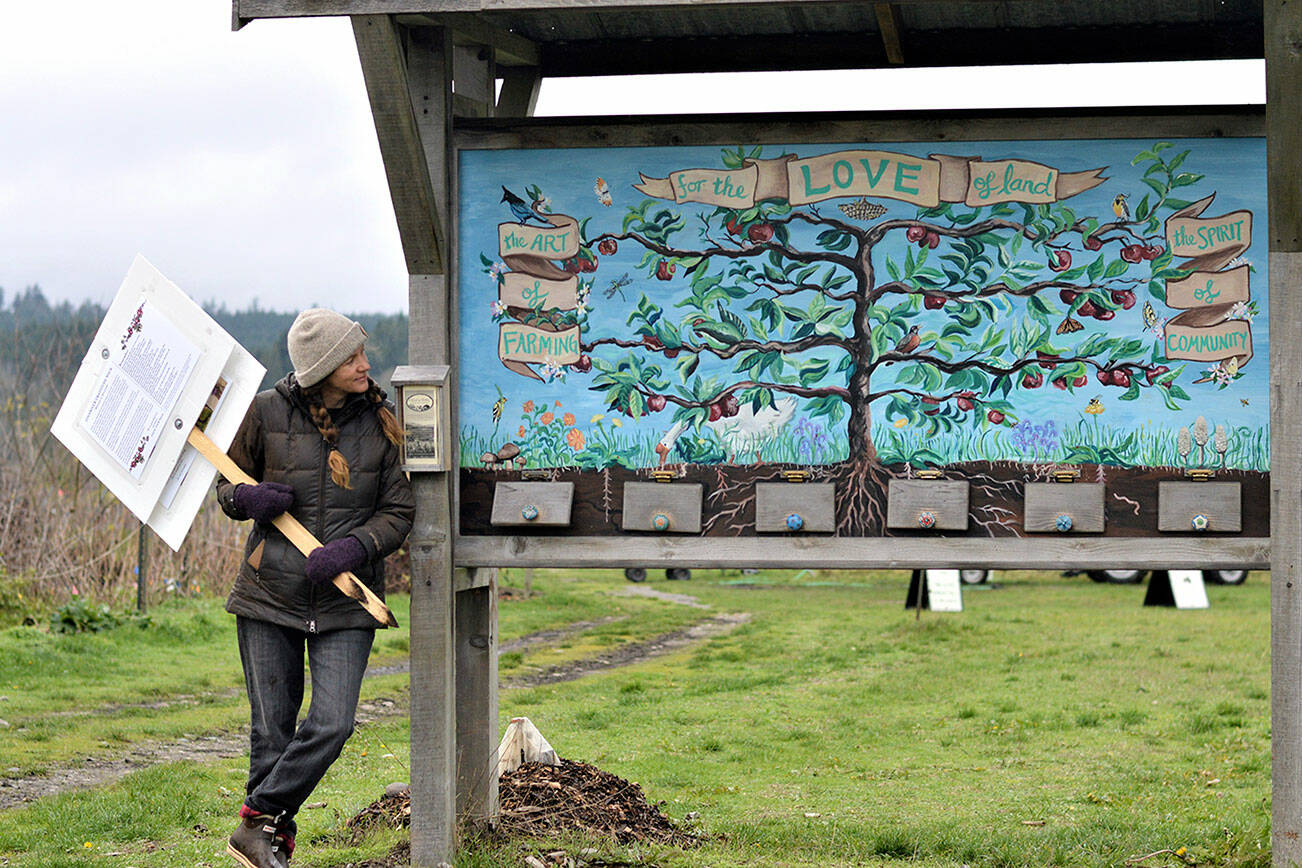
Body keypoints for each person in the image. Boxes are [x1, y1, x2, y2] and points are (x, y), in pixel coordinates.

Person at [215, 308, 414, 868]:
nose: (365, 365)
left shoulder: (383, 422)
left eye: (361, 354)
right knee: (271, 730)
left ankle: (255, 821)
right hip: (268, 595)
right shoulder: (264, 413)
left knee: (333, 722)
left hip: (347, 599)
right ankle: (269, 844)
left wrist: (354, 549)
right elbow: (226, 484)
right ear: (322, 367)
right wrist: (245, 500)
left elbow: (400, 510)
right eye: (352, 357)